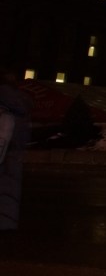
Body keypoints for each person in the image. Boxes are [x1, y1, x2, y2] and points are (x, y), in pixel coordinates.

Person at [0, 65, 31, 231]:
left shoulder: (5, 113)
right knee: (10, 190)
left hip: (7, 152)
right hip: (16, 152)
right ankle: (7, 223)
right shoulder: (21, 104)